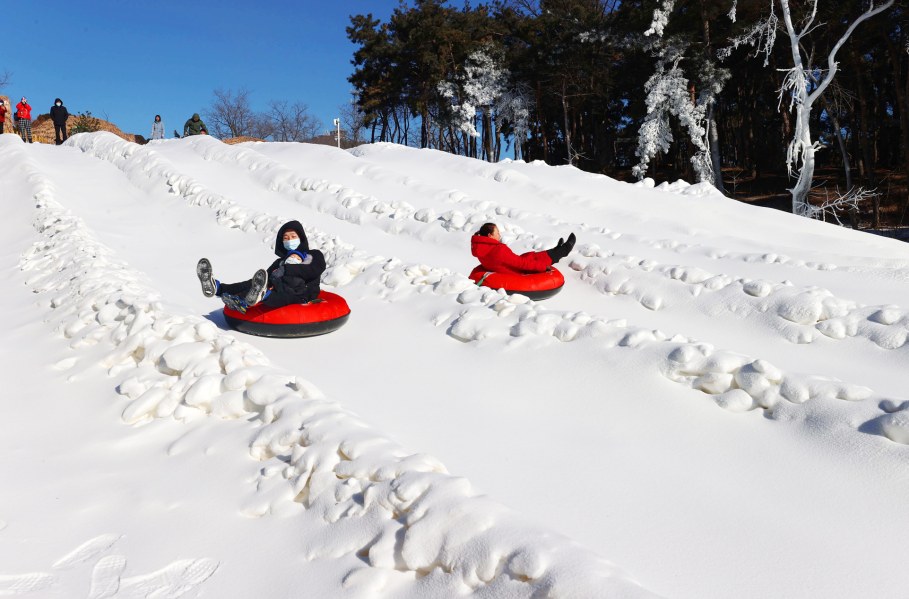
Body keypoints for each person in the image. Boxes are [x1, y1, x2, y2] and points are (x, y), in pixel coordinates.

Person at [196, 220, 327, 314]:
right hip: (280, 288)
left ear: (301, 238)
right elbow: (265, 279)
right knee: (252, 284)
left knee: (280, 295)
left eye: (293, 237)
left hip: (303, 294)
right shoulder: (280, 262)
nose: (289, 240)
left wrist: (287, 269)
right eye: (286, 238)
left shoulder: (313, 254)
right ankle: (218, 288)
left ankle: (262, 295)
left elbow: (315, 269)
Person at [470, 223, 576, 274]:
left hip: (505, 268)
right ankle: (564, 250)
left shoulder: (481, 248)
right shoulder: (498, 250)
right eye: (497, 233)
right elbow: (521, 263)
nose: (500, 235)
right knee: (535, 260)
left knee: (528, 256)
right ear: (490, 236)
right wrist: (543, 268)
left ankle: (556, 250)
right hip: (516, 272)